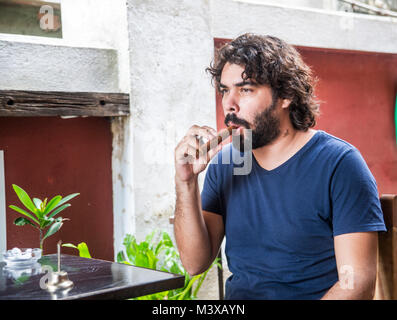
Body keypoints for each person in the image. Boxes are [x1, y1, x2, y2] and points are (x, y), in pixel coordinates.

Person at [173, 33, 386, 300]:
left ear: (285, 95)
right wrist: (185, 183)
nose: (229, 103)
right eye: (225, 90)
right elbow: (194, 263)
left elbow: (356, 283)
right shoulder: (227, 163)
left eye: (246, 89)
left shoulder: (339, 163)